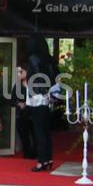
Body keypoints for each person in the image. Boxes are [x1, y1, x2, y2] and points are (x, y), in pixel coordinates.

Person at [21, 36, 56, 171]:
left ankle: (42, 161)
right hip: (47, 98)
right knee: (46, 131)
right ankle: (48, 158)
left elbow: (33, 78)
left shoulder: (33, 59)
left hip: (37, 98)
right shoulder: (48, 60)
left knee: (39, 132)